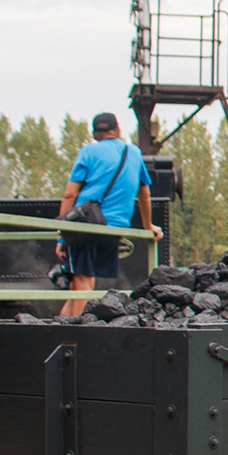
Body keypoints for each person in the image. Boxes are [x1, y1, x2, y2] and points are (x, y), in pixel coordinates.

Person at [56, 112, 161, 316]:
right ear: (118, 130)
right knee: (79, 284)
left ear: (95, 134)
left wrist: (62, 233)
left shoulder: (89, 151)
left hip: (87, 225)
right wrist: (148, 226)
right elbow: (144, 194)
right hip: (115, 228)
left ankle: (80, 331)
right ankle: (61, 326)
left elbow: (70, 193)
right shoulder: (134, 153)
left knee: (82, 282)